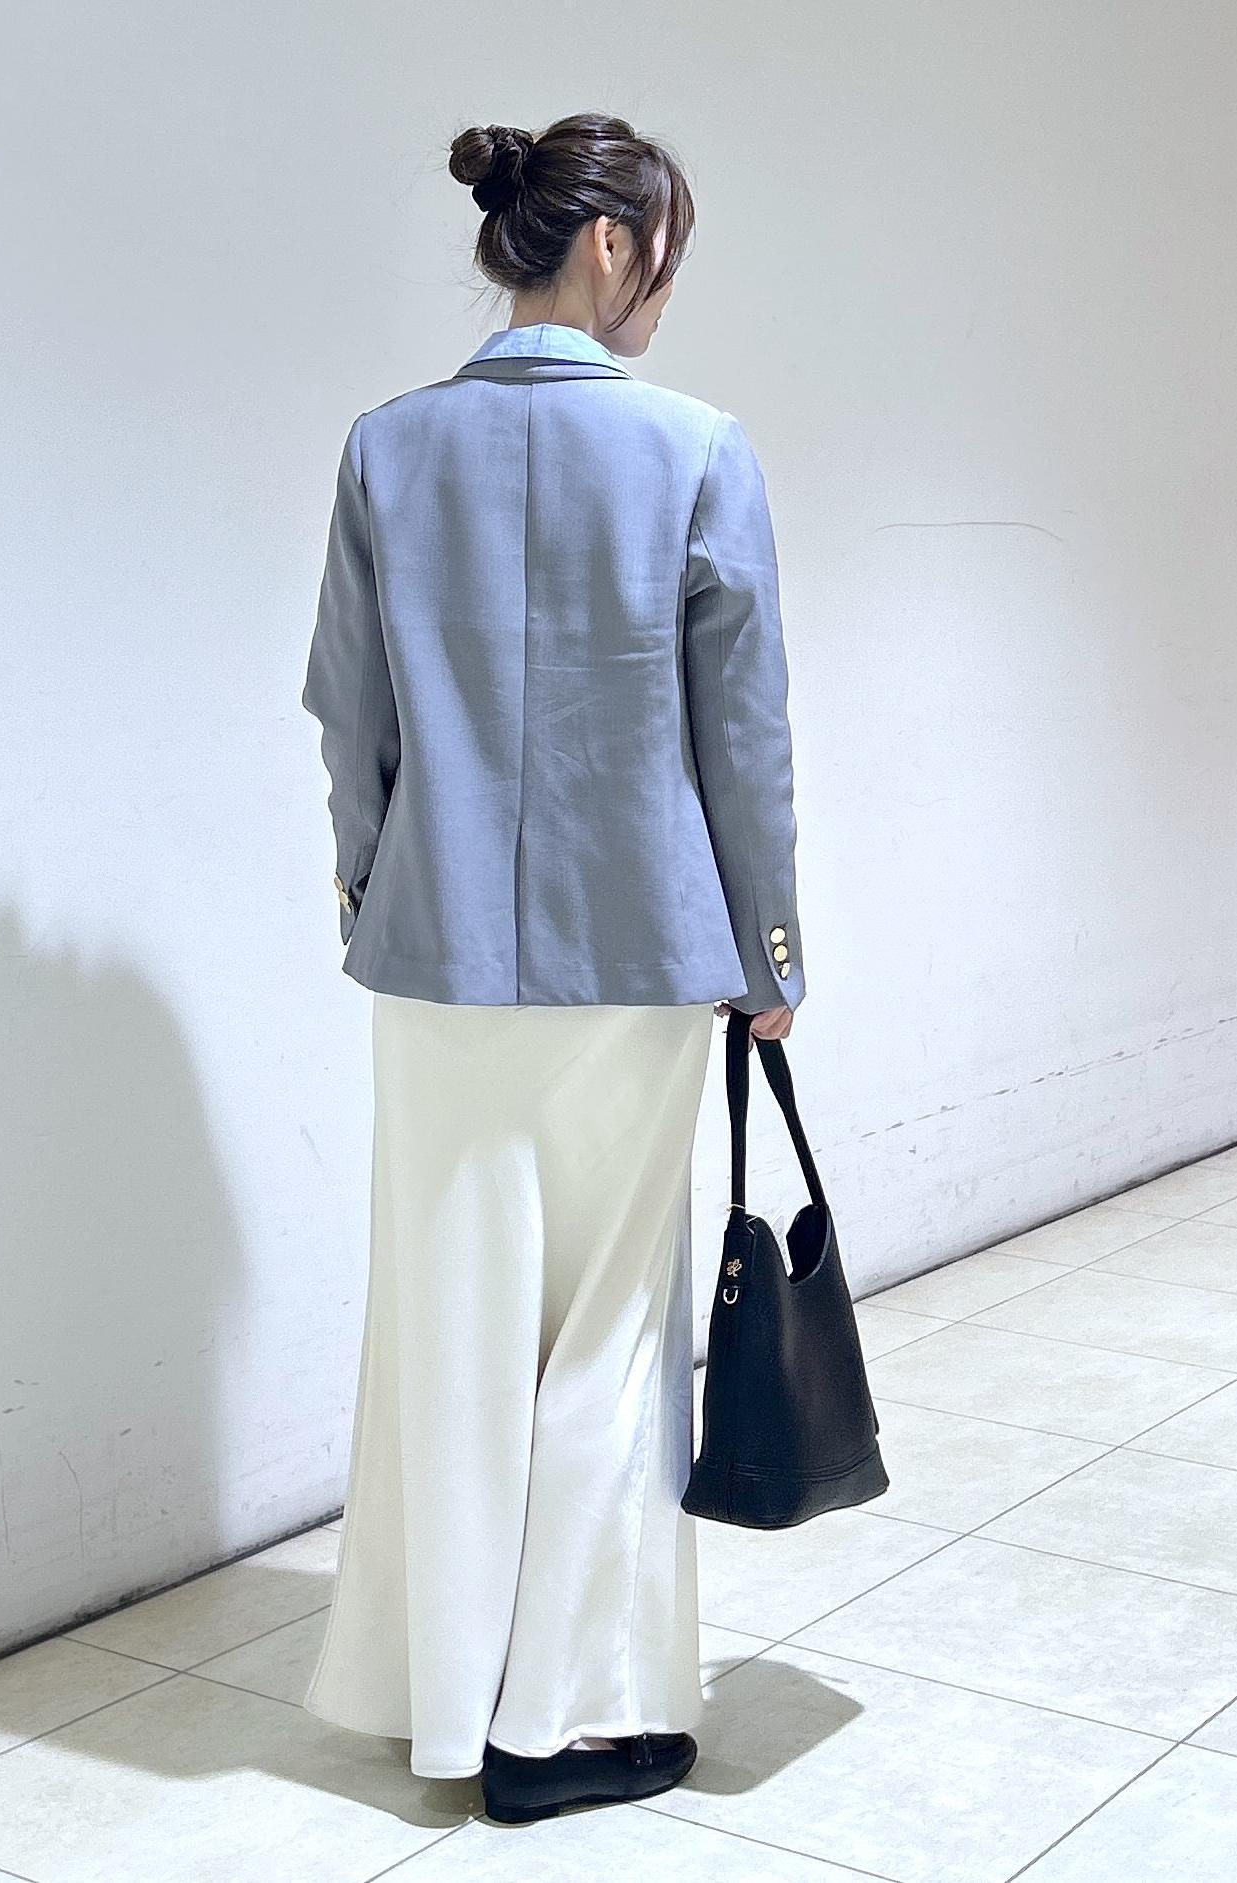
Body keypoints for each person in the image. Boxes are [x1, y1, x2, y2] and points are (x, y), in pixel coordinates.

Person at [298, 109, 805, 1825]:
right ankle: (563, 1724)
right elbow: (742, 740)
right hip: (639, 960)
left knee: (448, 1325)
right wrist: (769, 947)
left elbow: (347, 716)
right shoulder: (695, 448)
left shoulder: (386, 447)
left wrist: (379, 898)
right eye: (665, 254)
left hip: (431, 966)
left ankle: (436, 1702)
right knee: (609, 1332)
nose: (663, 287)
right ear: (610, 243)